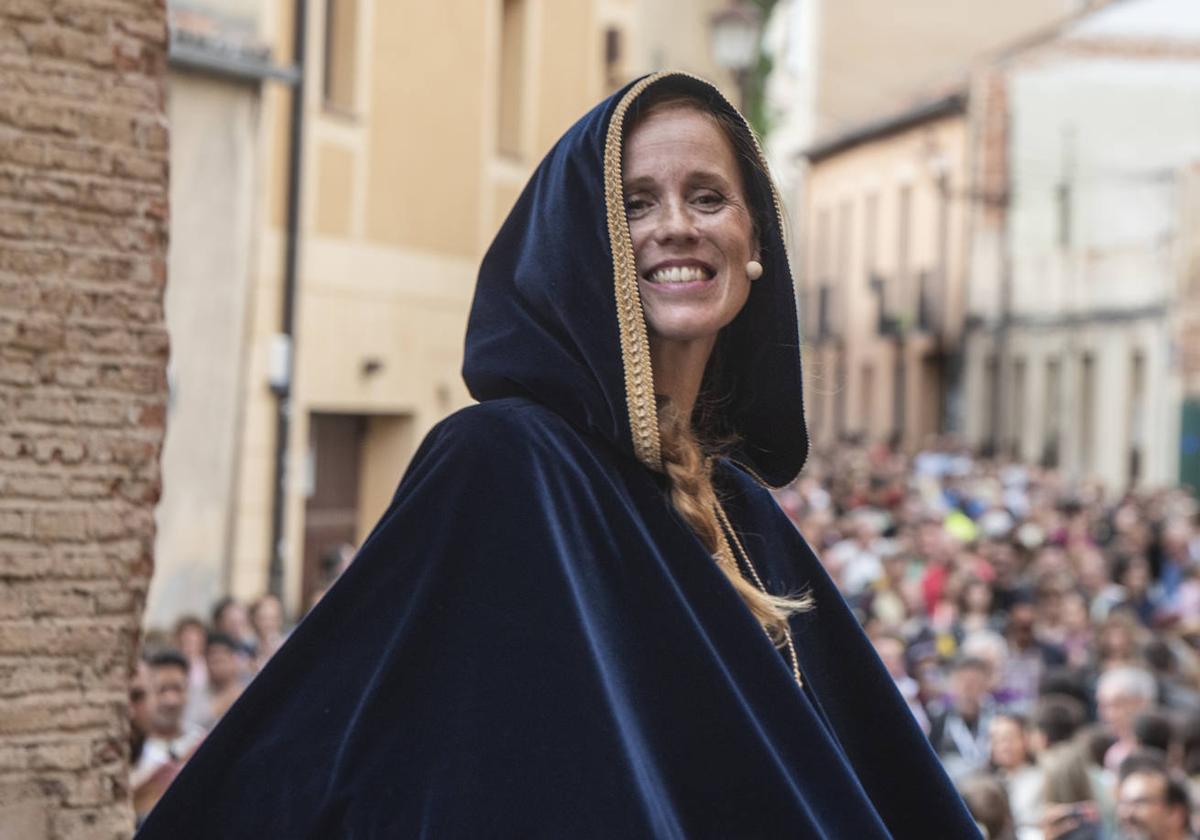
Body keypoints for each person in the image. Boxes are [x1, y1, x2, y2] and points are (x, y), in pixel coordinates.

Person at [136, 73, 978, 837]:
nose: (676, 226)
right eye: (637, 203)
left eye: (708, 197)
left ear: (755, 239)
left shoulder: (743, 510)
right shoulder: (504, 464)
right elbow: (370, 749)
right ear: (584, 245)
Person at [131, 650, 205, 823]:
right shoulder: (132, 751)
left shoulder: (204, 743)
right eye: (162, 690)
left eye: (178, 689)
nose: (171, 700)